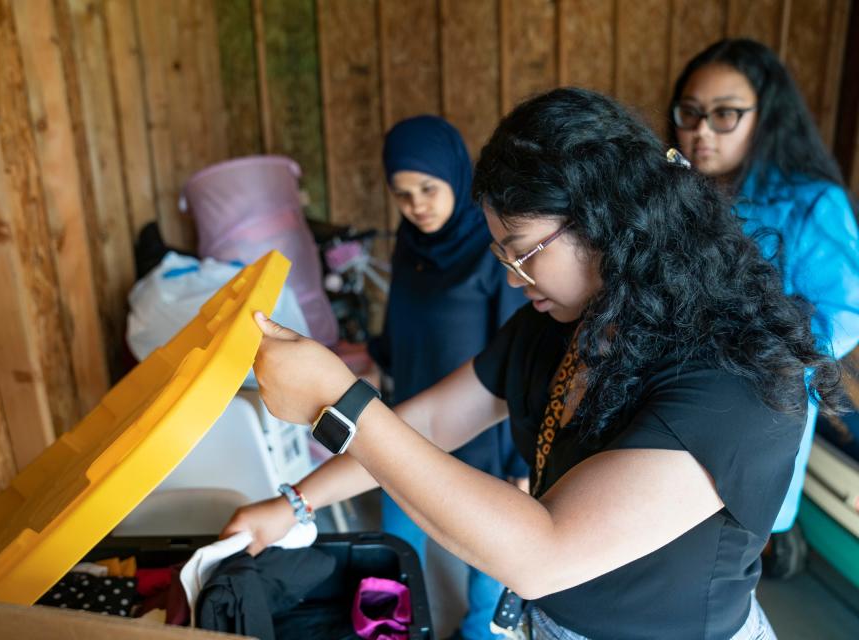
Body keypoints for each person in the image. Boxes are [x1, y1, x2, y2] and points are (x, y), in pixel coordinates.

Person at [224, 88, 844, 639]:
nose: (513, 277)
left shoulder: (731, 379)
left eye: (525, 252)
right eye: (502, 254)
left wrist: (341, 402)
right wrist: (293, 505)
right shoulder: (565, 322)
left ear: (606, 218)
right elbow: (434, 422)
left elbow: (543, 551)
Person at [668, 38, 859, 566]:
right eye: (690, 113)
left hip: (756, 412)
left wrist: (750, 350)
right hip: (671, 401)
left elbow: (842, 314)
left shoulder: (810, 201)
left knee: (721, 564)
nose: (702, 130)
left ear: (764, 115)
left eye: (725, 114)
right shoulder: (675, 193)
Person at [368, 115, 528, 639]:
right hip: (410, 428)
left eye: (427, 188)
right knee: (390, 561)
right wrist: (367, 353)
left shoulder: (491, 248)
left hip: (482, 439)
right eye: (402, 193)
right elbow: (400, 330)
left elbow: (518, 358)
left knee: (486, 579)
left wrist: (518, 463)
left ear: (456, 178)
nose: (416, 204)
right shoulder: (410, 246)